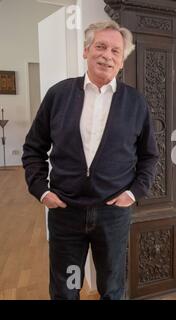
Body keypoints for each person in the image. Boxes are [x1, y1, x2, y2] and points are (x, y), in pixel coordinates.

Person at [22, 21, 159, 300]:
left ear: (122, 62)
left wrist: (133, 193)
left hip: (112, 214)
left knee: (112, 288)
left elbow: (149, 156)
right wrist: (41, 190)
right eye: (100, 46)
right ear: (86, 51)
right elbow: (33, 148)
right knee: (66, 288)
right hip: (66, 211)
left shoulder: (135, 103)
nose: (107, 55)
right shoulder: (58, 95)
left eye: (115, 51)